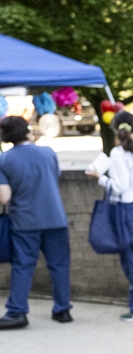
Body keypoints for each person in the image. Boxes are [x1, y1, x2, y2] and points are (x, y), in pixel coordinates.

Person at [86, 111, 133, 322]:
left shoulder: (118, 154)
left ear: (115, 129)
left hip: (129, 211)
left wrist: (99, 177)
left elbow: (119, 188)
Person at [0, 116, 72, 329]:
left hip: (25, 222)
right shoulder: (48, 152)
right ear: (28, 131)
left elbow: (4, 197)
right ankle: (63, 309)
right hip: (55, 218)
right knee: (59, 266)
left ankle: (17, 312)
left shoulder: (4, 160)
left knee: (23, 267)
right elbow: (53, 176)